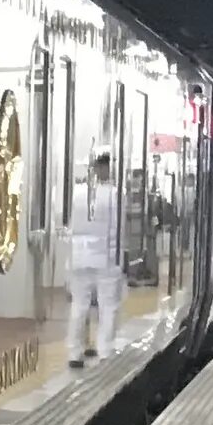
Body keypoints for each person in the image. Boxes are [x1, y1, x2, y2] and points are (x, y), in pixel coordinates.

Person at [64, 149, 121, 368]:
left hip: (79, 257)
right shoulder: (116, 194)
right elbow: (119, 229)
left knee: (79, 305)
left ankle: (74, 353)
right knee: (108, 305)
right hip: (106, 257)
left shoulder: (78, 193)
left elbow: (68, 225)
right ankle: (105, 350)